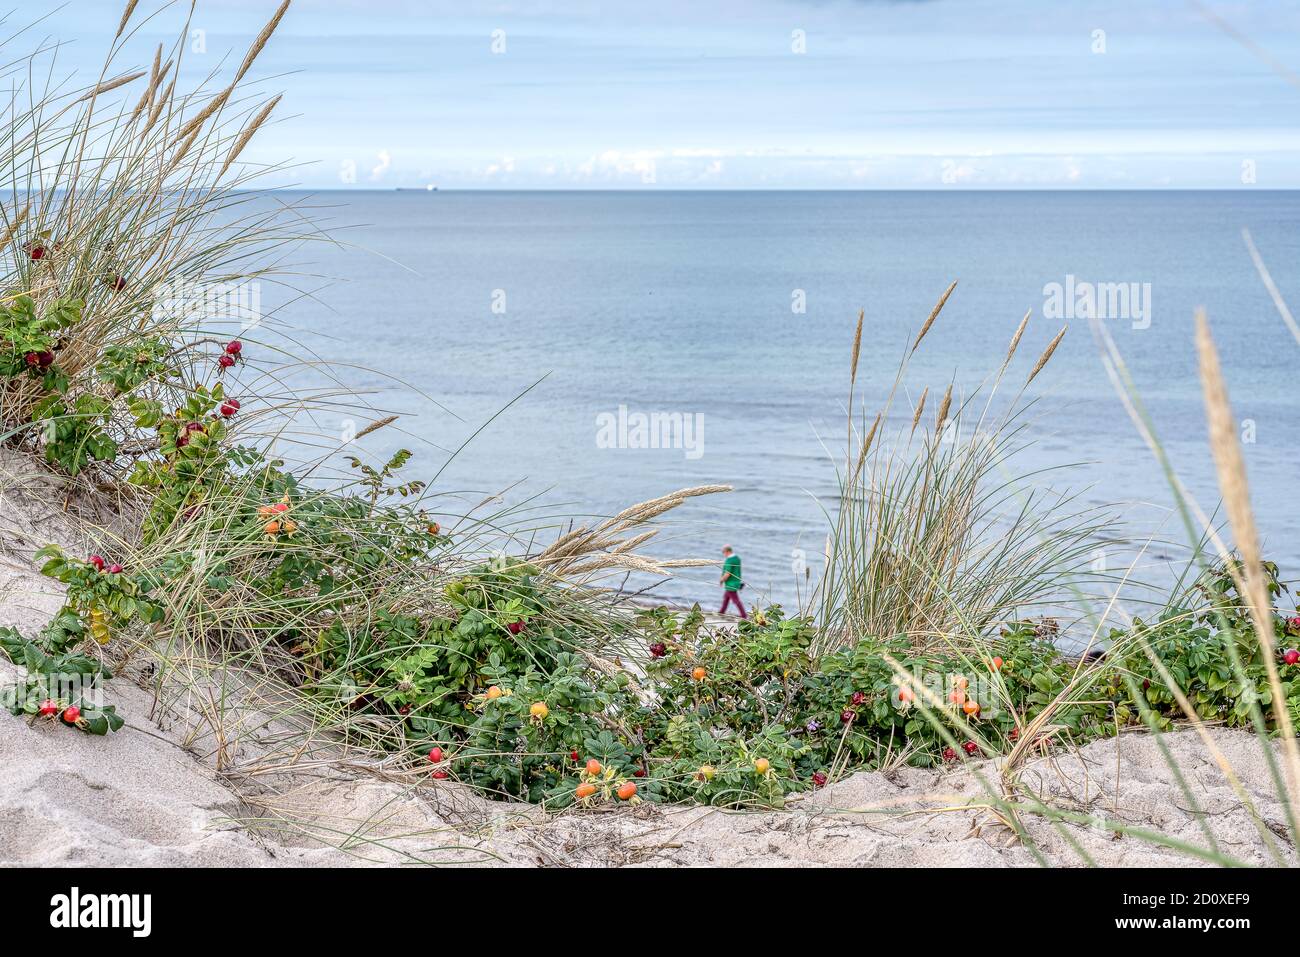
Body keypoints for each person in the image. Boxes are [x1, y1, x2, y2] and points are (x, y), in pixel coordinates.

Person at [719, 545, 746, 618]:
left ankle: (744, 615)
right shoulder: (737, 558)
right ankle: (721, 612)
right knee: (726, 598)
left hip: (730, 583)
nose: (724, 554)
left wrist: (721, 580)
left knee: (735, 600)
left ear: (727, 551)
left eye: (723, 552)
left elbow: (727, 573)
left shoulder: (729, 560)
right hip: (736, 581)